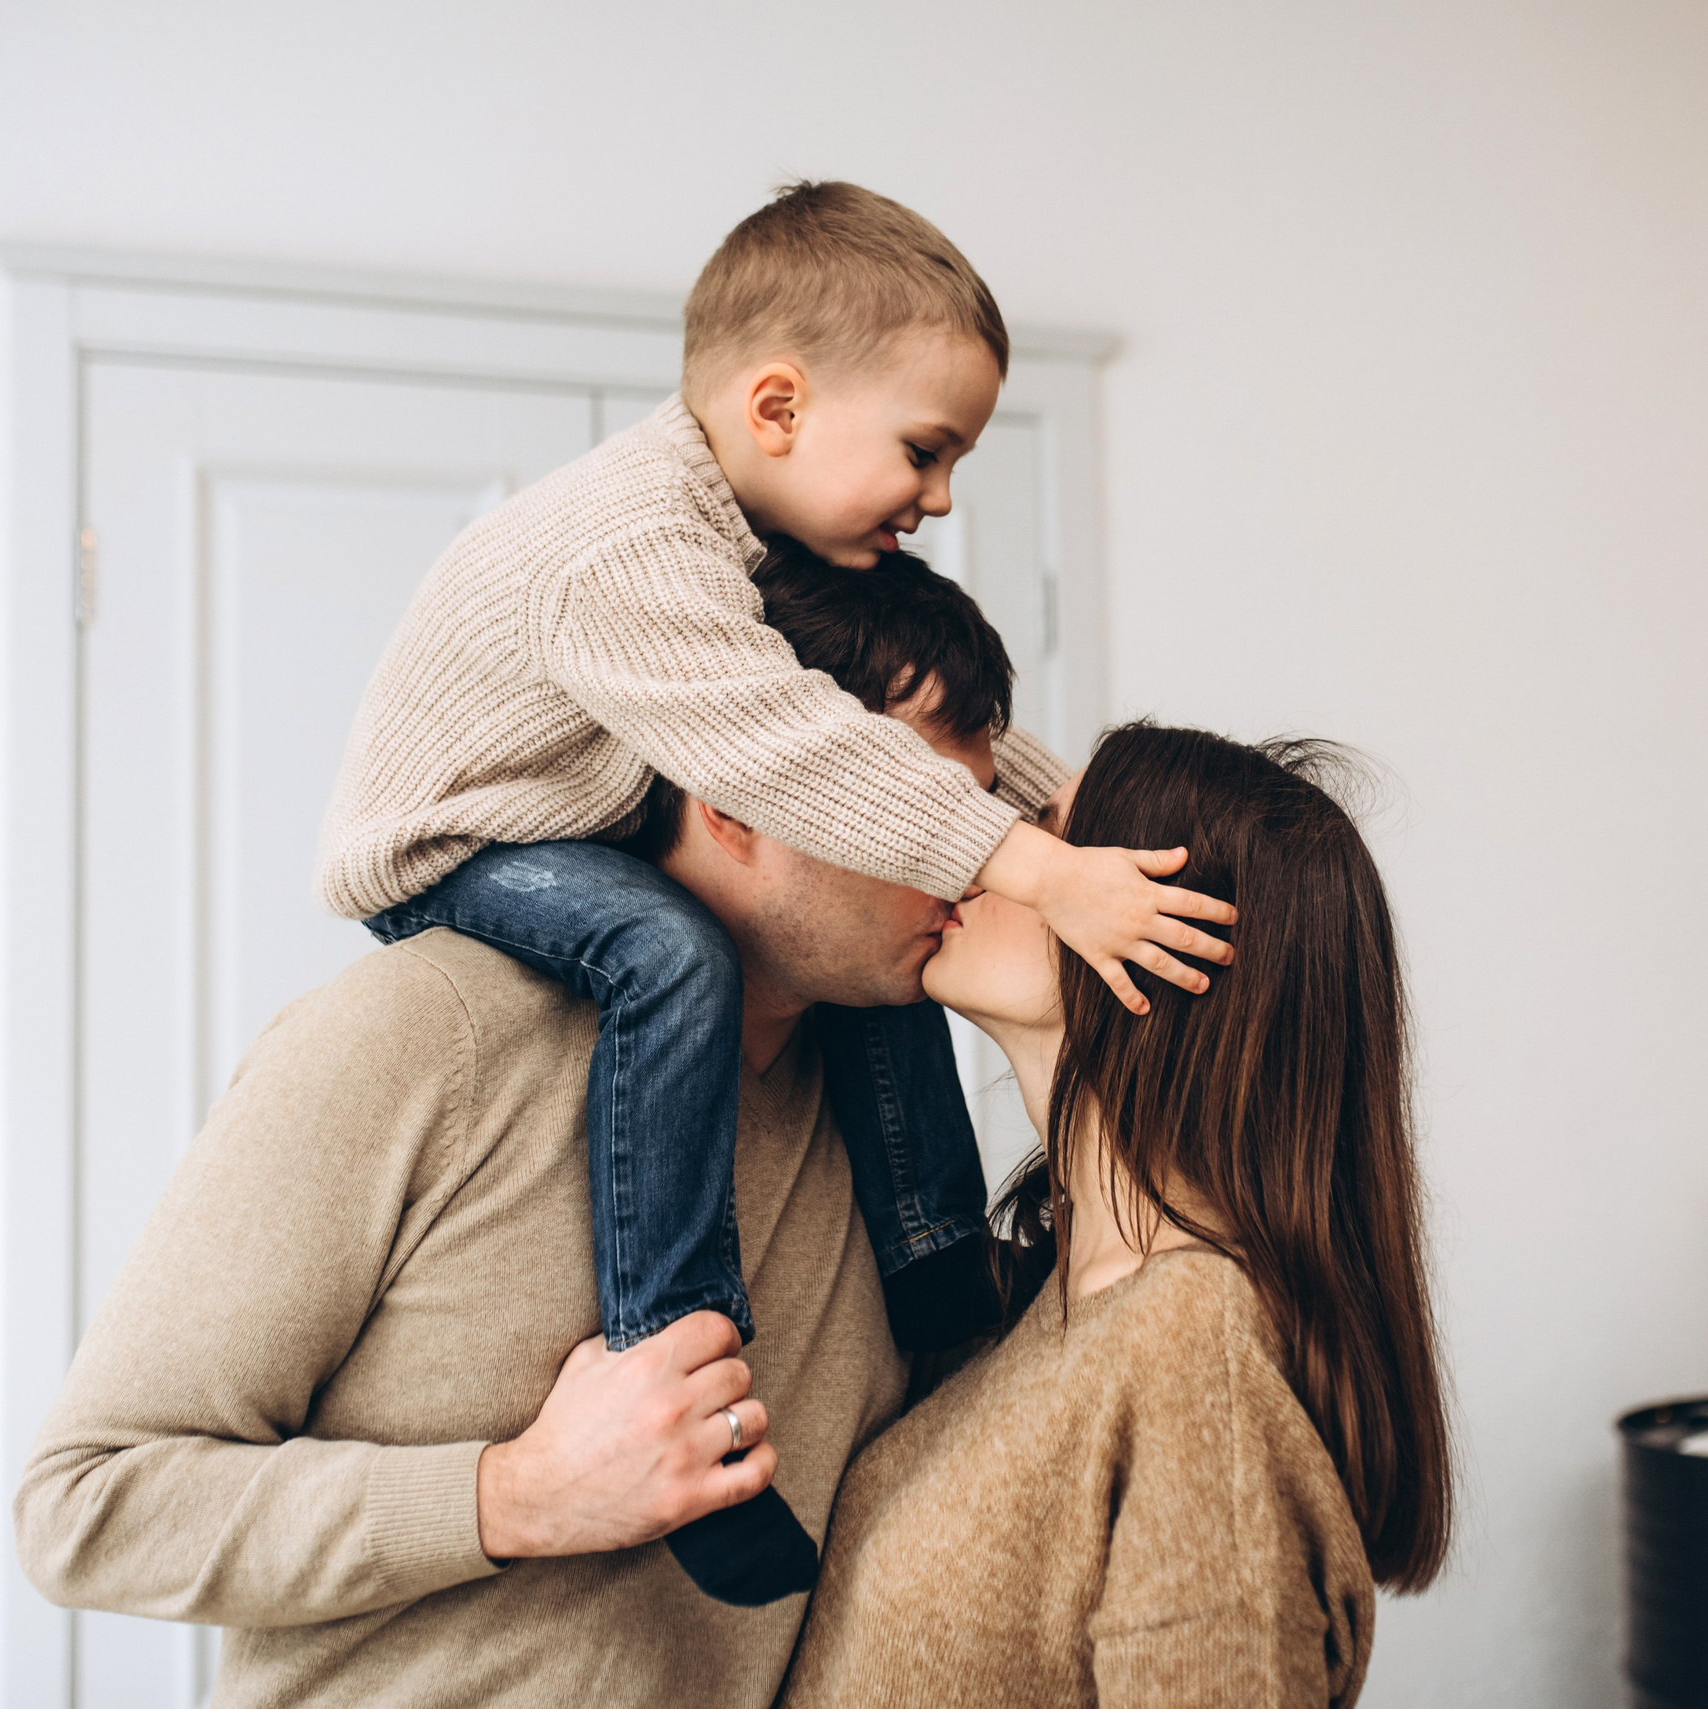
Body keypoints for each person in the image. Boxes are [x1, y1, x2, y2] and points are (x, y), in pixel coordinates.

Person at [322, 180, 1234, 1601]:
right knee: (672, 957)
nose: (940, 499)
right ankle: (676, 1353)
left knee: (874, 951)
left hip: (574, 815)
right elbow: (805, 744)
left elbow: (899, 735)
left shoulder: (740, 533)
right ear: (777, 409)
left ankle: (935, 1276)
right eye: (927, 451)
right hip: (460, 844)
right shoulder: (629, 548)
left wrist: (1062, 803)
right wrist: (1040, 865)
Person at [15, 552, 1039, 1708]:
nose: (971, 855)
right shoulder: (418, 1036)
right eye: (920, 811)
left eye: (979, 808)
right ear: (737, 800)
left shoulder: (888, 1103)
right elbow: (89, 1505)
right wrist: (516, 1493)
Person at [781, 723, 1455, 1708]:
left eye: (1047, 835)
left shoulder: (1194, 1353)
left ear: (1172, 946)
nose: (985, 849)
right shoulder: (1052, 1303)